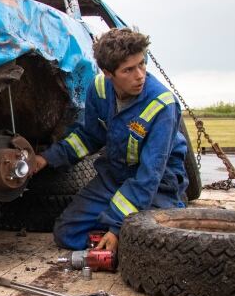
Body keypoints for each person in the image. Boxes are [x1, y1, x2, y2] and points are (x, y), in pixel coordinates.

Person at [33, 28, 188, 252]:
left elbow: (150, 174)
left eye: (142, 64)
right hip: (115, 175)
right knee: (66, 233)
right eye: (128, 70)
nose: (140, 75)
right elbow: (88, 137)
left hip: (158, 182)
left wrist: (115, 228)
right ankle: (120, 233)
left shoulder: (163, 105)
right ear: (108, 73)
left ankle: (167, 209)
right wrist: (46, 159)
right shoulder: (98, 89)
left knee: (157, 244)